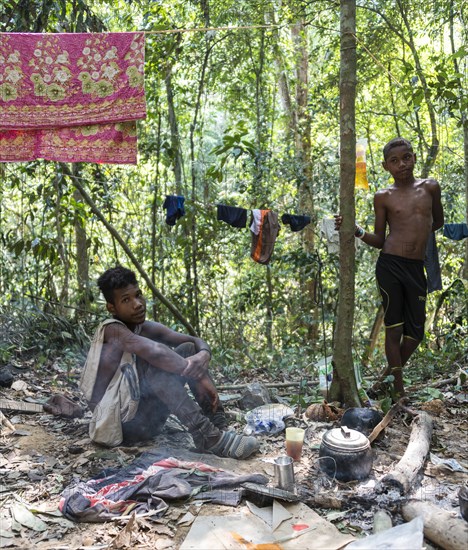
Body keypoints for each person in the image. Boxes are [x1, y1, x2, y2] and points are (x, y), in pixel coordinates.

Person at [80, 265, 259, 459]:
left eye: (138, 295)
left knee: (189, 350)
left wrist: (203, 355)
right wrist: (197, 373)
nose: (138, 304)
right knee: (157, 362)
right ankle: (208, 437)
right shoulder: (112, 330)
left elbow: (194, 341)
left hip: (147, 420)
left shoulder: (144, 327)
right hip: (120, 427)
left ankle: (217, 426)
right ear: (111, 308)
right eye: (126, 300)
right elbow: (156, 352)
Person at [335, 137, 444, 397]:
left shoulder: (430, 187)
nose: (402, 164)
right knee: (394, 328)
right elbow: (380, 239)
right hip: (390, 266)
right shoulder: (383, 196)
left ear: (414, 157)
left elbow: (437, 222)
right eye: (394, 161)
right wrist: (355, 230)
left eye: (406, 157)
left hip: (416, 268)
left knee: (416, 333)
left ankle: (386, 379)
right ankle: (397, 389)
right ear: (386, 167)